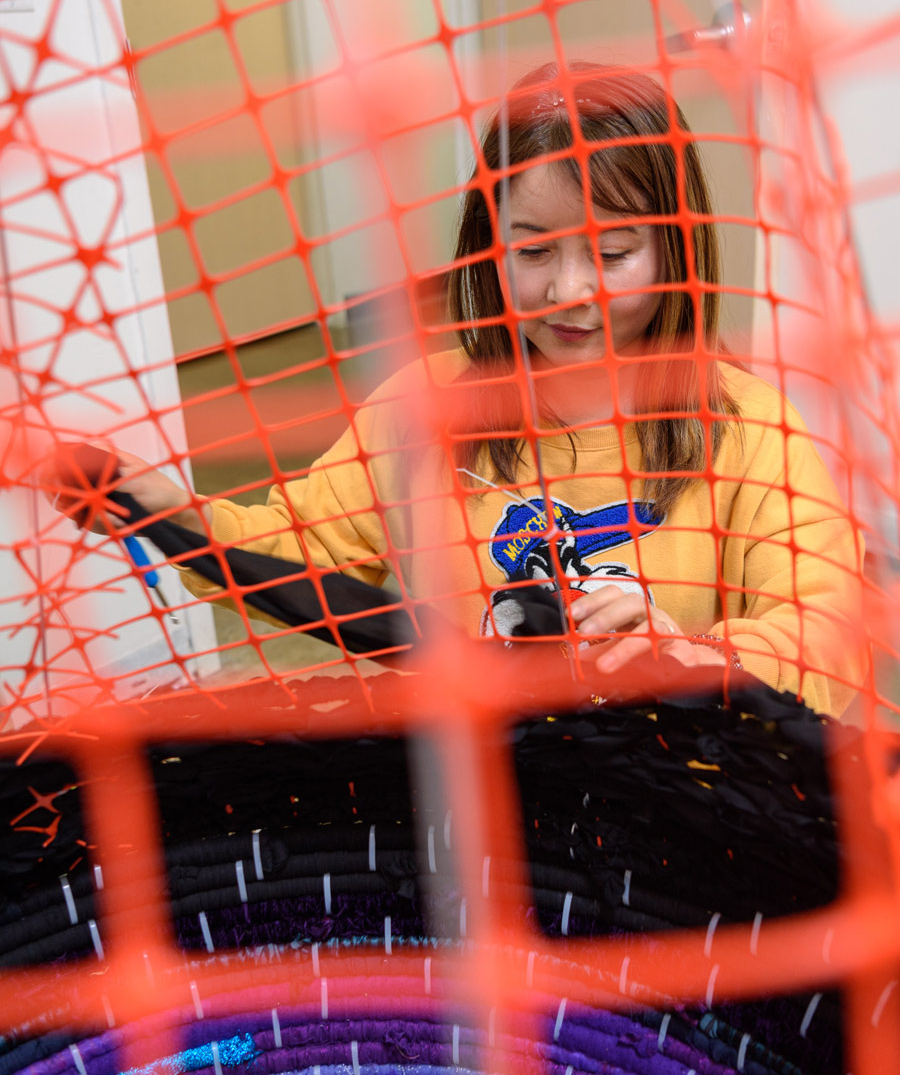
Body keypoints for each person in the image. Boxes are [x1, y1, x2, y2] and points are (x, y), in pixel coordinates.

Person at [66, 61, 866, 717]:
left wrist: (698, 656)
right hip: (479, 780)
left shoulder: (747, 427)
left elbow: (826, 629)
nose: (568, 292)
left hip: (670, 793)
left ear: (677, 252)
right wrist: (172, 516)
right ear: (489, 249)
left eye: (613, 253)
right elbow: (301, 548)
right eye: (533, 253)